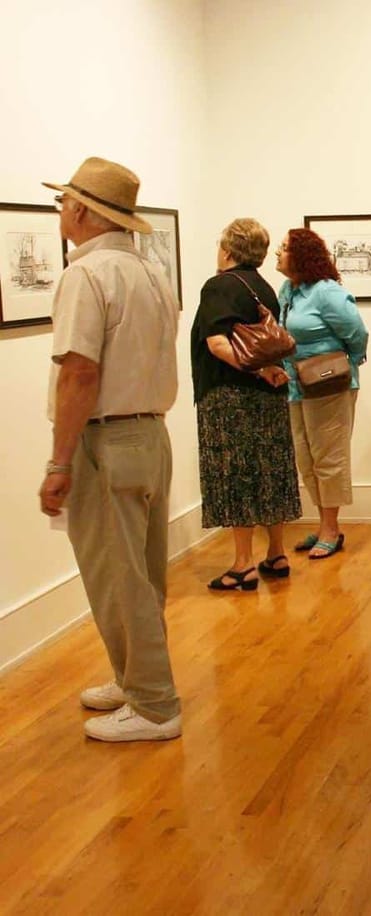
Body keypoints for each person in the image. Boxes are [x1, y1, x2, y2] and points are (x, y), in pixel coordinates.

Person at [38, 157, 181, 742]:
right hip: (151, 435)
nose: (61, 212)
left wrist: (58, 461)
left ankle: (154, 705)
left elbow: (78, 373)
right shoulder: (150, 273)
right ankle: (134, 679)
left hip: (106, 439)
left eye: (64, 203)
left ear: (81, 211)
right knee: (142, 573)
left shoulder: (88, 275)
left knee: (118, 575)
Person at [192, 219, 302, 590]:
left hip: (230, 398)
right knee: (271, 470)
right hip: (268, 398)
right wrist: (268, 371)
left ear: (227, 250)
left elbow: (218, 345)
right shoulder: (263, 286)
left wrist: (258, 371)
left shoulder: (219, 286)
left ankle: (242, 564)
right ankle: (276, 552)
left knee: (238, 475)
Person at [276, 229, 368, 558]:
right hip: (295, 385)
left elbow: (357, 333)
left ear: (301, 255)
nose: (277, 252)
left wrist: (344, 365)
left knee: (329, 457)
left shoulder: (327, 292)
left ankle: (331, 528)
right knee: (306, 458)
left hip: (329, 385)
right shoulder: (288, 290)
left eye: (284, 248)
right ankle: (322, 524)